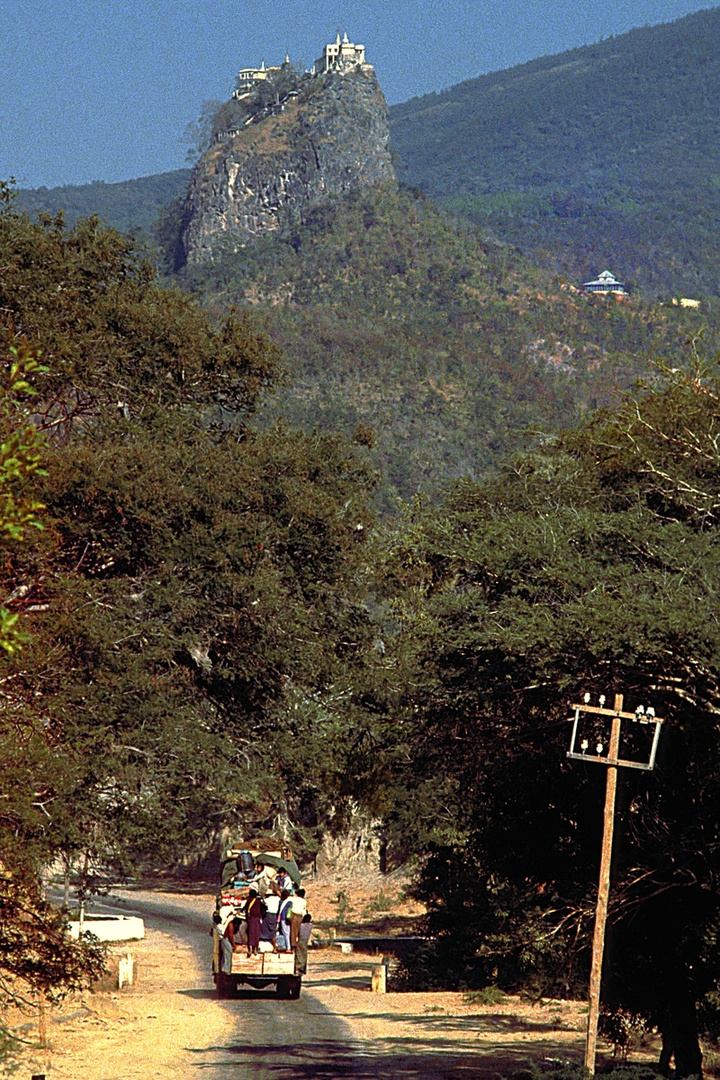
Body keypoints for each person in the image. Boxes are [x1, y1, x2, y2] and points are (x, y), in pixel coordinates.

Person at [244, 888, 265, 956]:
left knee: (251, 934)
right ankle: (255, 949)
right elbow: (264, 909)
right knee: (256, 934)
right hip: (257, 919)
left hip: (251, 919)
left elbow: (244, 908)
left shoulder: (249, 901)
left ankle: (250, 949)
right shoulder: (259, 901)